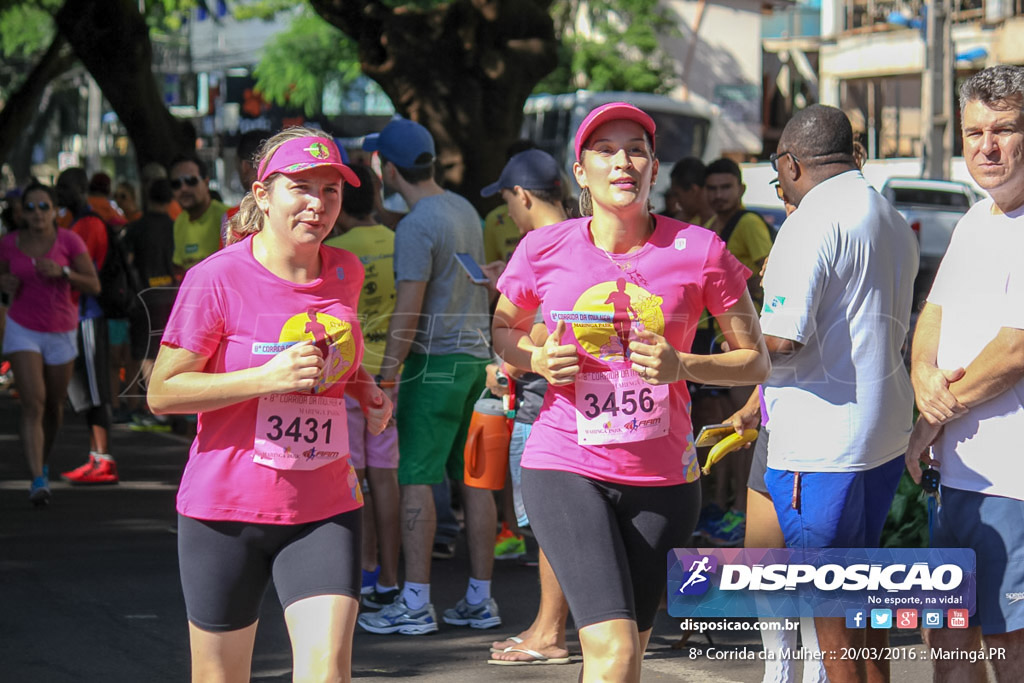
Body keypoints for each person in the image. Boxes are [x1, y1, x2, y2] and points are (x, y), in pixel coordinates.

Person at [492, 102, 770, 682]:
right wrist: (537, 357)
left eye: (636, 149)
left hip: (664, 481)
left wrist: (683, 364)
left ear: (654, 167)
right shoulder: (544, 248)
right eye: (606, 150)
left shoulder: (699, 250)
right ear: (580, 171)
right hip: (565, 461)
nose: (623, 161)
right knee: (614, 651)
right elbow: (503, 331)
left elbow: (754, 360)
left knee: (626, 657)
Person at [147, 128, 391, 683]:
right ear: (262, 195)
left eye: (330, 191)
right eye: (301, 188)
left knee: (327, 670)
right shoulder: (217, 278)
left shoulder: (345, 271)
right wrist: (265, 377)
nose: (318, 204)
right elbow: (163, 391)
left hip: (326, 503)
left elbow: (330, 355)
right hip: (225, 510)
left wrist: (361, 387)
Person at [761, 104, 918, 683]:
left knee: (830, 617)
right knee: (859, 604)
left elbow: (778, 339)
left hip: (821, 444)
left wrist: (695, 358)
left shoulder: (808, 222)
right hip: (881, 433)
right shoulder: (889, 215)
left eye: (779, 179)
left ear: (792, 163)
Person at [905, 64, 1024, 682]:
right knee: (948, 639)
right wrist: (922, 374)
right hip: (959, 475)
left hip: (1014, 482)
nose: (988, 147)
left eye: (1005, 129)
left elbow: (1014, 351)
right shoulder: (979, 219)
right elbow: (936, 310)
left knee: (1010, 650)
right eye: (974, 132)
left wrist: (931, 414)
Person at [356, 117, 497, 636]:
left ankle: (415, 601)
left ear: (388, 169)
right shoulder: (460, 208)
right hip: (475, 362)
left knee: (416, 480)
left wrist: (388, 376)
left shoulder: (418, 226)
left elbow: (408, 311)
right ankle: (480, 599)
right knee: (475, 483)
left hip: (432, 365)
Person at [479, 148, 573, 666]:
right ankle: (551, 627)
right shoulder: (586, 233)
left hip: (543, 404)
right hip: (578, 403)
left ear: (523, 196)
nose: (509, 212)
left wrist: (519, 359)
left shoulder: (538, 243)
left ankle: (549, 632)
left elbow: (530, 325)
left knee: (547, 521)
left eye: (507, 200)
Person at [324, 163, 402, 610]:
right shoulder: (397, 244)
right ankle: (389, 576)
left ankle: (364, 567)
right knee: (385, 476)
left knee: (354, 479)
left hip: (348, 378)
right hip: (391, 375)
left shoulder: (335, 253)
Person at [0, 183, 100, 504]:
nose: (37, 214)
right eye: (30, 208)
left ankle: (43, 458)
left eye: (43, 207)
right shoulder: (8, 244)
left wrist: (64, 271)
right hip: (22, 328)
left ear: (54, 211)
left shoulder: (69, 240)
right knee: (34, 402)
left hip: (61, 328)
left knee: (54, 406)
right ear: (21, 213)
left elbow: (93, 285)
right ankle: (37, 479)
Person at [56, 168, 120, 486]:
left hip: (88, 315)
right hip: (74, 316)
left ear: (80, 189)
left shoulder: (89, 224)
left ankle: (104, 457)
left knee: (96, 391)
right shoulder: (72, 223)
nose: (59, 194)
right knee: (84, 391)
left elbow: (87, 272)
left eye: (65, 187)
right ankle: (95, 456)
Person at [122, 178, 177, 430]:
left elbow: (126, 261)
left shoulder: (137, 228)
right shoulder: (175, 225)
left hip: (146, 295)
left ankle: (154, 410)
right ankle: (166, 409)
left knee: (147, 353)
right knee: (170, 350)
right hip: (173, 295)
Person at [168, 155, 228, 274]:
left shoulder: (228, 217)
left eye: (191, 181)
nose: (184, 188)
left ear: (206, 183)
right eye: (176, 184)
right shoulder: (179, 222)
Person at [665, 157, 713, 226]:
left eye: (677, 194)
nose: (677, 201)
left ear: (693, 190)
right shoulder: (687, 218)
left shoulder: (721, 221)